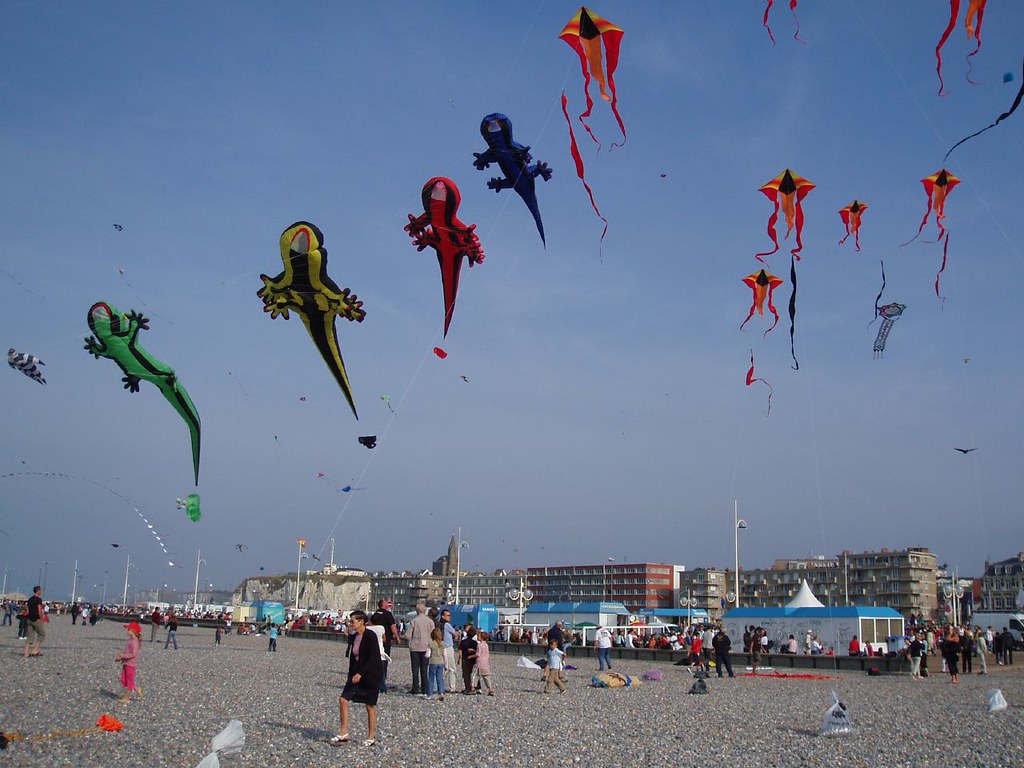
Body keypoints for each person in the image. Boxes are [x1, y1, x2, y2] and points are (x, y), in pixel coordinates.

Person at [331, 610, 381, 748]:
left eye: (353, 621)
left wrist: (361, 673)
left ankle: (371, 737)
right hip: (355, 674)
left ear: (361, 622)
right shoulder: (354, 636)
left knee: (369, 705)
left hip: (370, 674)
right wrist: (351, 674)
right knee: (343, 699)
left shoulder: (370, 635)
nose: (351, 623)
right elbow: (353, 658)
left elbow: (373, 658)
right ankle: (344, 732)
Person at [405, 603, 434, 696]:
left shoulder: (414, 621)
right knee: (424, 669)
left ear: (417, 611)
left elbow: (408, 635)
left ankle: (415, 688)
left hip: (415, 647)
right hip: (426, 647)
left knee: (415, 669)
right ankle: (425, 688)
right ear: (425, 610)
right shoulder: (430, 621)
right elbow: (433, 634)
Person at [375, 600, 399, 693]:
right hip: (386, 640)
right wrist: (397, 637)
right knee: (384, 661)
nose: (388, 604)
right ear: (383, 605)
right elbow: (392, 627)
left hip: (375, 640)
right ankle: (382, 684)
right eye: (386, 603)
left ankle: (376, 683)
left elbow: (369, 624)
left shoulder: (376, 613)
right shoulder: (388, 614)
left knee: (375, 661)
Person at [115, 622, 143, 702]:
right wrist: (121, 658)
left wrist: (122, 656)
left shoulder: (134, 641)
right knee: (124, 680)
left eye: (129, 630)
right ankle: (137, 689)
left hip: (131, 664)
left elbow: (133, 654)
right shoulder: (130, 640)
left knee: (129, 681)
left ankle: (126, 698)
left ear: (133, 631)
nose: (127, 631)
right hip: (127, 663)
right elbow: (128, 653)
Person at [440, 608, 459, 692]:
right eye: (447, 615)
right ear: (443, 616)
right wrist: (457, 634)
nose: (449, 617)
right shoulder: (447, 625)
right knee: (451, 668)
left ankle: (439, 685)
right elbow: (455, 634)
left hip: (441, 648)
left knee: (443, 667)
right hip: (448, 647)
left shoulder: (439, 624)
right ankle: (452, 687)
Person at [23, 586, 45, 658]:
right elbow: (39, 610)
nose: (41, 592)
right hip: (36, 619)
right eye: (40, 591)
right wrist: (42, 619)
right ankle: (35, 650)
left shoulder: (30, 599)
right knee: (42, 634)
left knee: (29, 636)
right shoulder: (38, 599)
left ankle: (26, 653)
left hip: (29, 619)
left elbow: (28, 609)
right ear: (38, 591)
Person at [427, 628, 446, 701]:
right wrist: (446, 664)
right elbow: (445, 654)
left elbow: (428, 654)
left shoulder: (431, 643)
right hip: (441, 662)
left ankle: (430, 694)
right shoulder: (443, 643)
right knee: (440, 678)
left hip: (433, 661)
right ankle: (441, 692)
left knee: (431, 678)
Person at [458, 626, 479, 694]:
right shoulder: (475, 643)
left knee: (466, 675)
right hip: (473, 660)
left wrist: (459, 659)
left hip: (465, 659)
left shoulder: (463, 642)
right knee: (473, 674)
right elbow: (477, 651)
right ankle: (474, 687)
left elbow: (460, 651)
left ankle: (467, 688)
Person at [475, 631, 494, 696]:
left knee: (475, 676)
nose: (477, 637)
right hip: (486, 663)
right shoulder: (486, 645)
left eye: (478, 636)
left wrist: (471, 656)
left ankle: (473, 688)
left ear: (481, 638)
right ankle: (490, 689)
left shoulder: (479, 645)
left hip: (479, 663)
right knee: (487, 677)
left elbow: (478, 654)